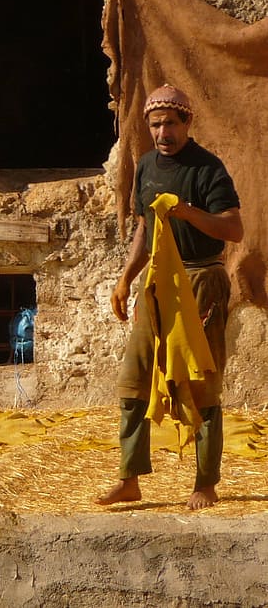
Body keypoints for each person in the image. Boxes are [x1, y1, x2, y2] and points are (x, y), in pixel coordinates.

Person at [96, 84, 244, 510]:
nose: (163, 132)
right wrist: (127, 278)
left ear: (187, 123)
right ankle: (129, 478)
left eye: (171, 123)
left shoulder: (207, 169)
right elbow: (145, 227)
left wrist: (186, 211)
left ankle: (205, 482)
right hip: (157, 282)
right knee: (134, 379)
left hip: (201, 281)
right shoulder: (145, 166)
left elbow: (233, 230)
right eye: (156, 124)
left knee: (200, 382)